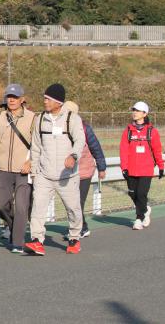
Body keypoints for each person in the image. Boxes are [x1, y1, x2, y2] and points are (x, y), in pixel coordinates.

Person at [25, 84, 85, 256]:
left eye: (48, 99)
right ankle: (37, 240)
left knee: (73, 208)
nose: (44, 101)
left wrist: (73, 156)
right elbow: (35, 146)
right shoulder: (40, 119)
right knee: (37, 208)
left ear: (58, 102)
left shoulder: (72, 118)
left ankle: (74, 237)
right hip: (44, 175)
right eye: (44, 98)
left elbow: (80, 141)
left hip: (67, 175)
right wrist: (34, 173)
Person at [0, 84, 35, 253]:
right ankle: (15, 228)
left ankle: (18, 242)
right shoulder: (0, 117)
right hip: (4, 169)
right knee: (0, 205)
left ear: (22, 99)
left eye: (15, 97)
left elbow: (38, 144)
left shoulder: (32, 118)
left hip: (24, 170)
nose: (11, 100)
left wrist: (31, 162)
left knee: (21, 207)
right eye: (9, 97)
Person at [61, 101, 106, 238]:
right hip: (67, 172)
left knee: (78, 201)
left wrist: (101, 168)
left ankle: (78, 229)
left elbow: (96, 148)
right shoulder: (57, 128)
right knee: (70, 203)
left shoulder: (85, 129)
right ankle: (82, 226)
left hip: (84, 171)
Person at [120, 101, 165, 230]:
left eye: (137, 110)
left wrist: (161, 166)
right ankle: (145, 209)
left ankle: (138, 219)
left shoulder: (152, 131)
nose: (134, 112)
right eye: (133, 110)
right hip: (131, 169)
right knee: (132, 193)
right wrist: (124, 167)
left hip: (146, 169)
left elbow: (157, 149)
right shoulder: (128, 130)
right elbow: (123, 150)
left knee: (141, 194)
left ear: (145, 114)